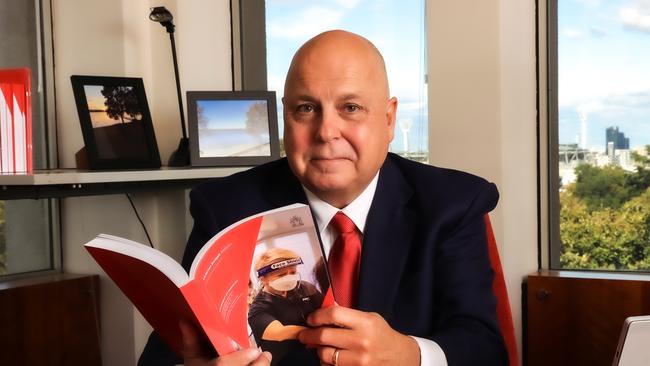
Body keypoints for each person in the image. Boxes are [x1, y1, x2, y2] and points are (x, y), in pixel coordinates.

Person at [139, 29, 507, 366]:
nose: (327, 131)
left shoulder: (453, 203)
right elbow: (164, 354)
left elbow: (485, 349)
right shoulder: (226, 209)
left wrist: (410, 354)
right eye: (306, 108)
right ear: (286, 117)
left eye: (350, 108)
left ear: (389, 120)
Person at [248, 248, 324, 364]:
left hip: (320, 357)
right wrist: (321, 334)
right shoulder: (258, 307)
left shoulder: (305, 288)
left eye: (293, 272)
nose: (289, 278)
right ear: (263, 279)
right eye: (281, 275)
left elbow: (325, 308)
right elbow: (280, 332)